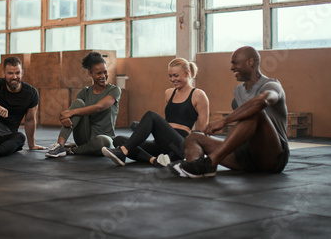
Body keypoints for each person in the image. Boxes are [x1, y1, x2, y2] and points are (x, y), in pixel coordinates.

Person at [169, 46, 289, 178]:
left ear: (250, 62)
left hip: (272, 157)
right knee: (193, 137)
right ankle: (198, 168)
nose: (232, 68)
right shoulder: (238, 91)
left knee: (256, 113)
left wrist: (223, 121)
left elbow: (261, 102)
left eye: (235, 63)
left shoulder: (271, 86)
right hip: (246, 156)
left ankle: (210, 162)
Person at [101, 58, 209, 167]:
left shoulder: (198, 95)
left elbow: (204, 128)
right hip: (161, 144)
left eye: (176, 76)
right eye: (170, 76)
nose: (172, 79)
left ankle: (122, 152)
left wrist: (202, 151)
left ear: (187, 74)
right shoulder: (169, 93)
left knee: (151, 115)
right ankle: (154, 160)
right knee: (118, 140)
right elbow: (167, 122)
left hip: (179, 145)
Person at [45, 52, 121, 157]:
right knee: (78, 103)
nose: (103, 76)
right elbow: (73, 112)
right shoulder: (84, 92)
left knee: (105, 142)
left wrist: (69, 113)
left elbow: (100, 107)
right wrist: (67, 117)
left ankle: (73, 150)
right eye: (98, 73)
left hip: (103, 139)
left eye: (105, 72)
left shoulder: (114, 90)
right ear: (90, 74)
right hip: (84, 137)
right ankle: (60, 146)